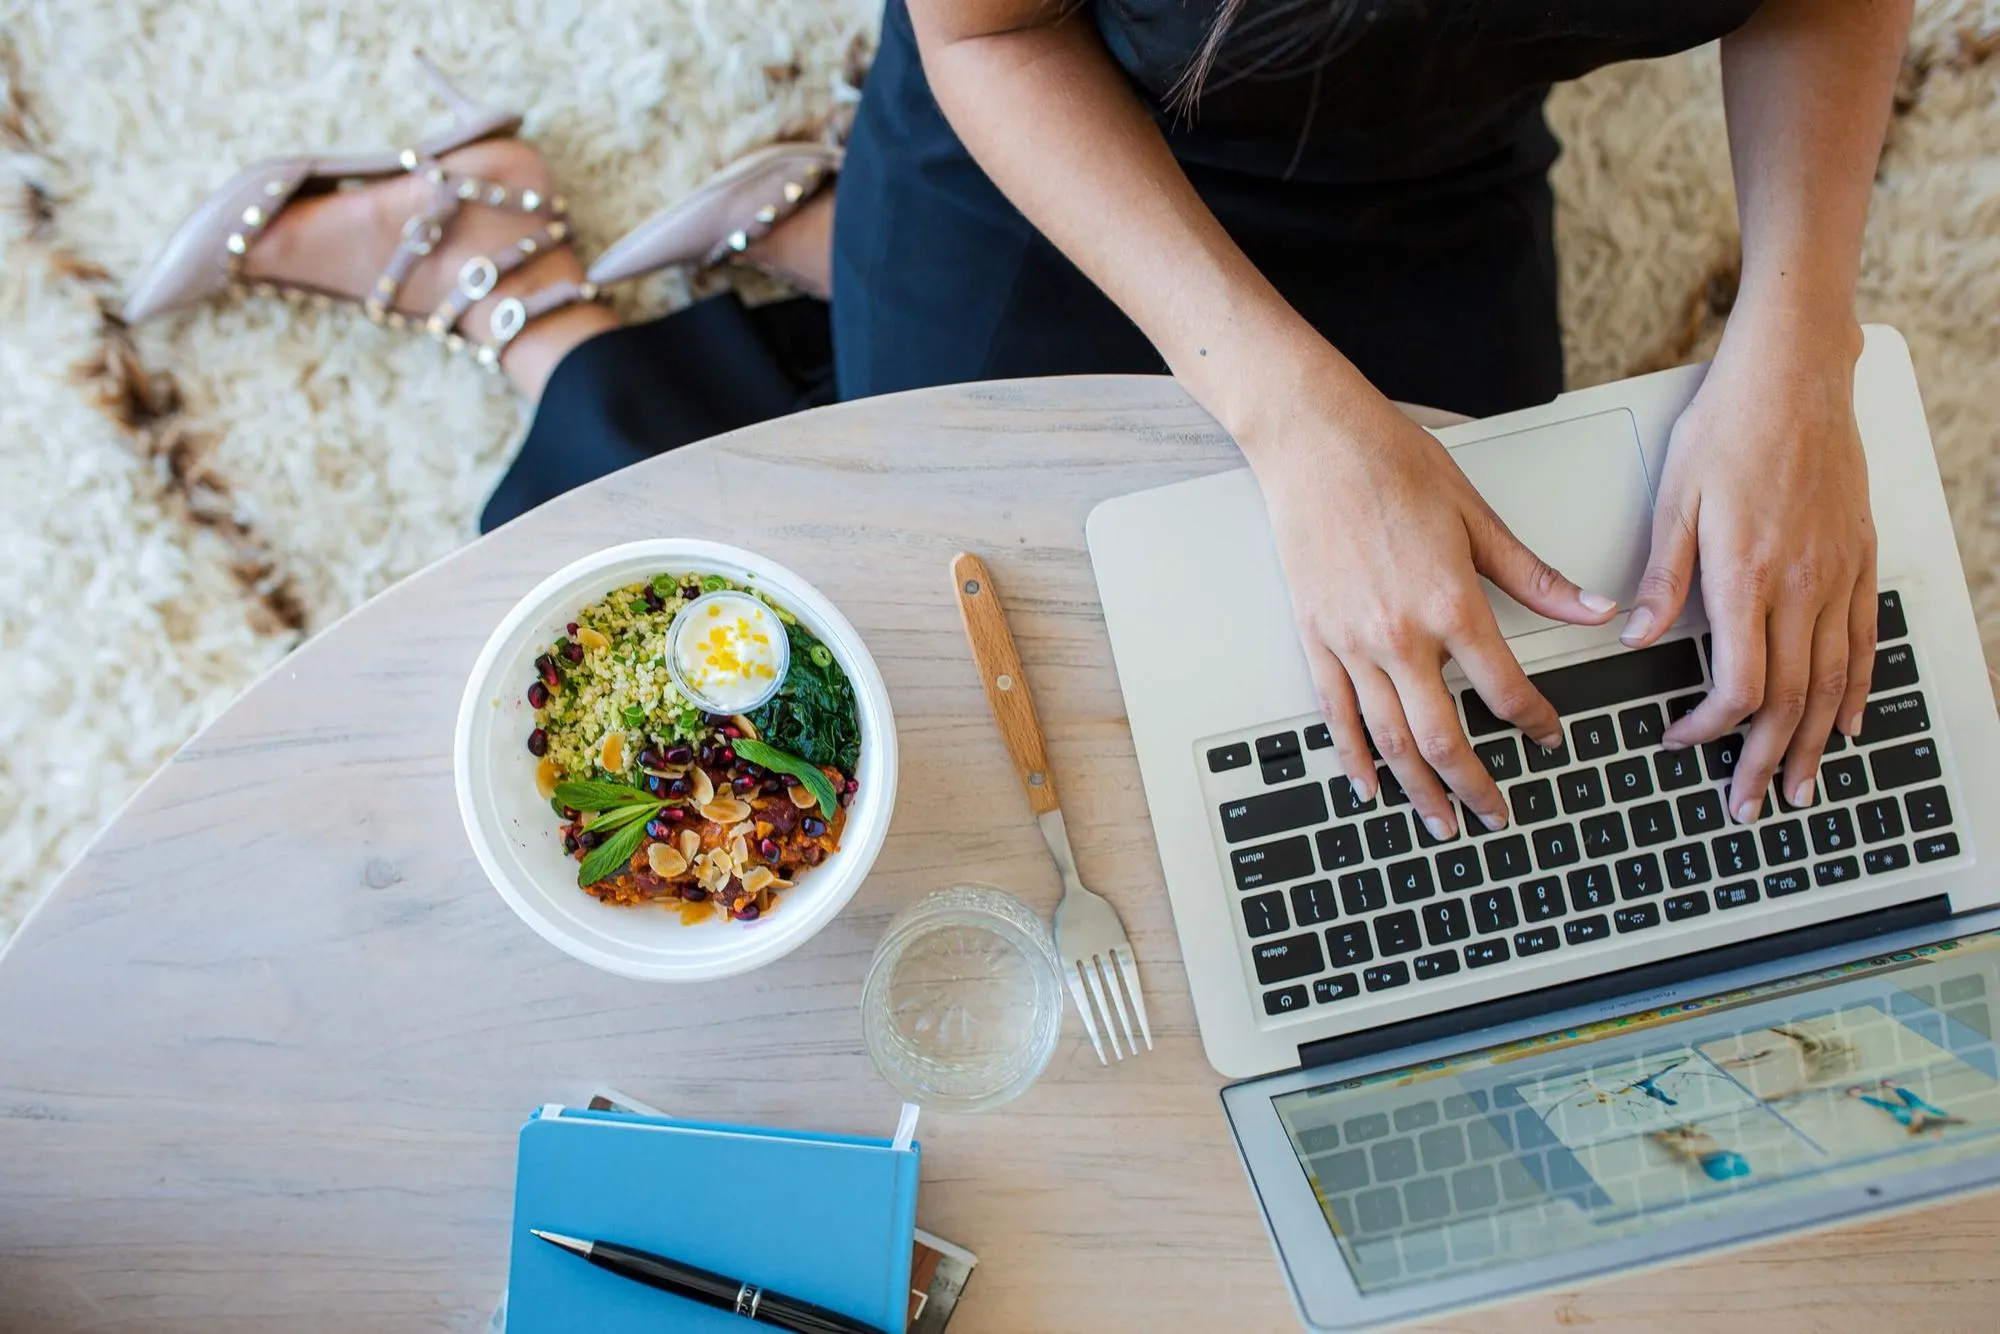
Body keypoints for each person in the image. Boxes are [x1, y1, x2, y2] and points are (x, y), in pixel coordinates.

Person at [128, 0, 1911, 841]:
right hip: (1050, 93)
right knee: (872, 675)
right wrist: (1289, 412)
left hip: (1431, 176)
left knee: (1429, 742)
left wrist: (1797, 337)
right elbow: (988, 28)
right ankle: (530, 296)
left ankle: (832, 261)